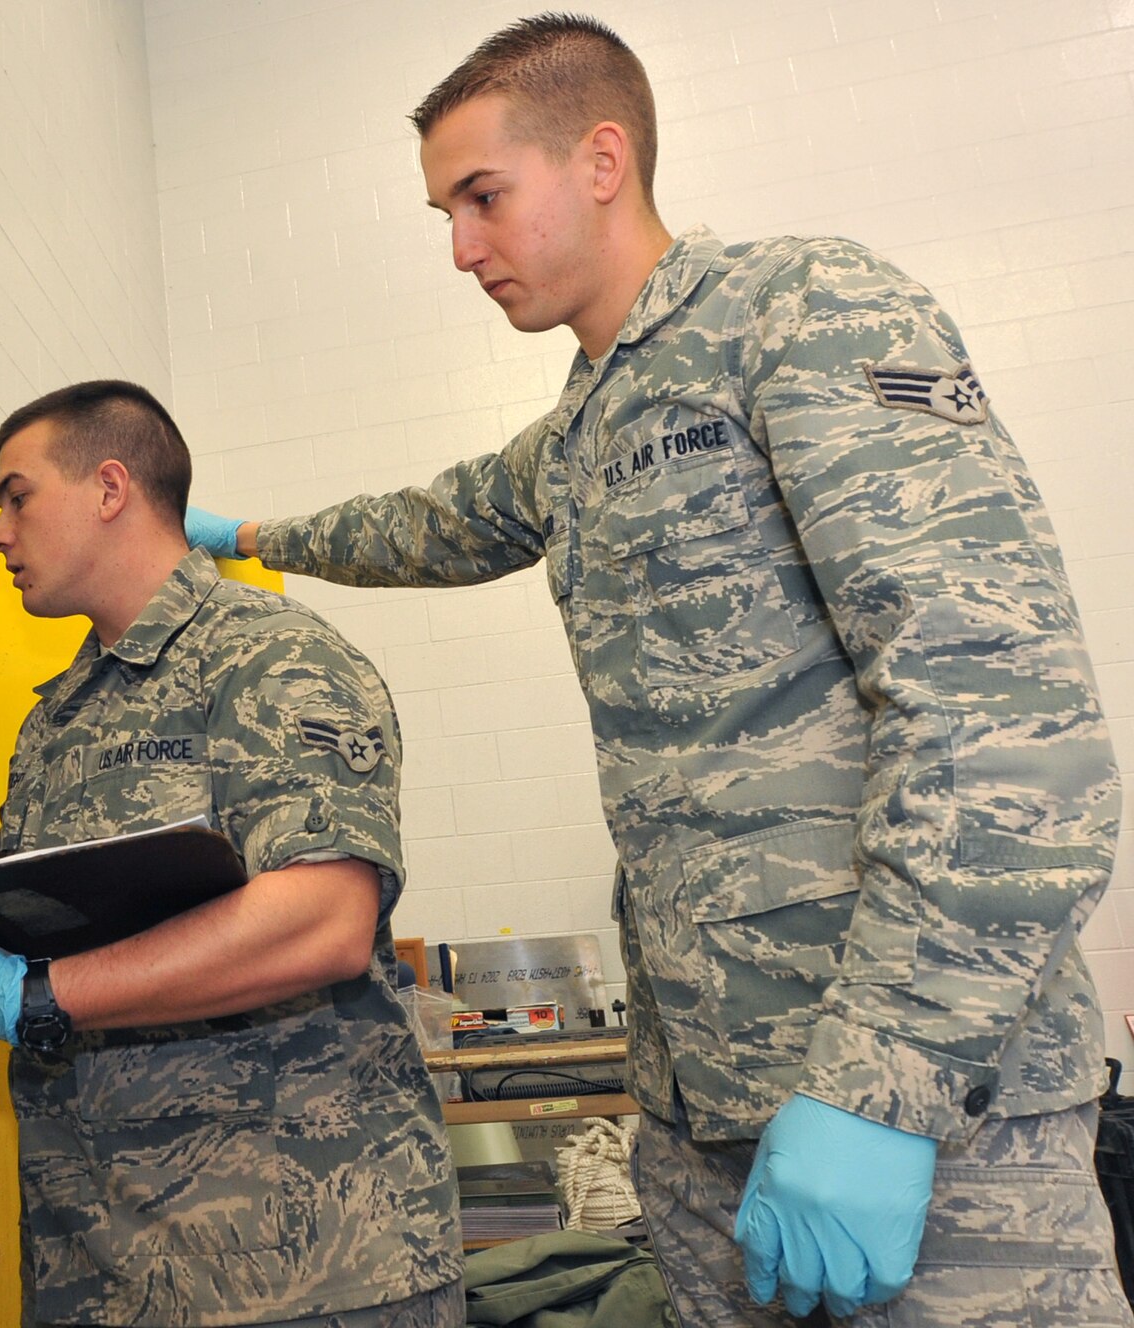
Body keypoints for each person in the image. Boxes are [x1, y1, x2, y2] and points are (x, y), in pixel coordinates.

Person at [184, 14, 1128, 1328]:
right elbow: (421, 524)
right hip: (703, 1123)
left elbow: (1007, 724)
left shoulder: (796, 312)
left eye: (482, 197)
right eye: (443, 212)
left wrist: (881, 1091)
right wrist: (243, 536)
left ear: (601, 160)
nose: (461, 246)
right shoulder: (577, 431)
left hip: (934, 1130)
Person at [0, 380, 464, 1328]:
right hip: (103, 1272)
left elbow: (323, 919)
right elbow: (20, 888)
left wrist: (25, 999)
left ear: (110, 487)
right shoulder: (63, 711)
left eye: (17, 496)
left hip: (306, 1272)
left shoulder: (270, 659)